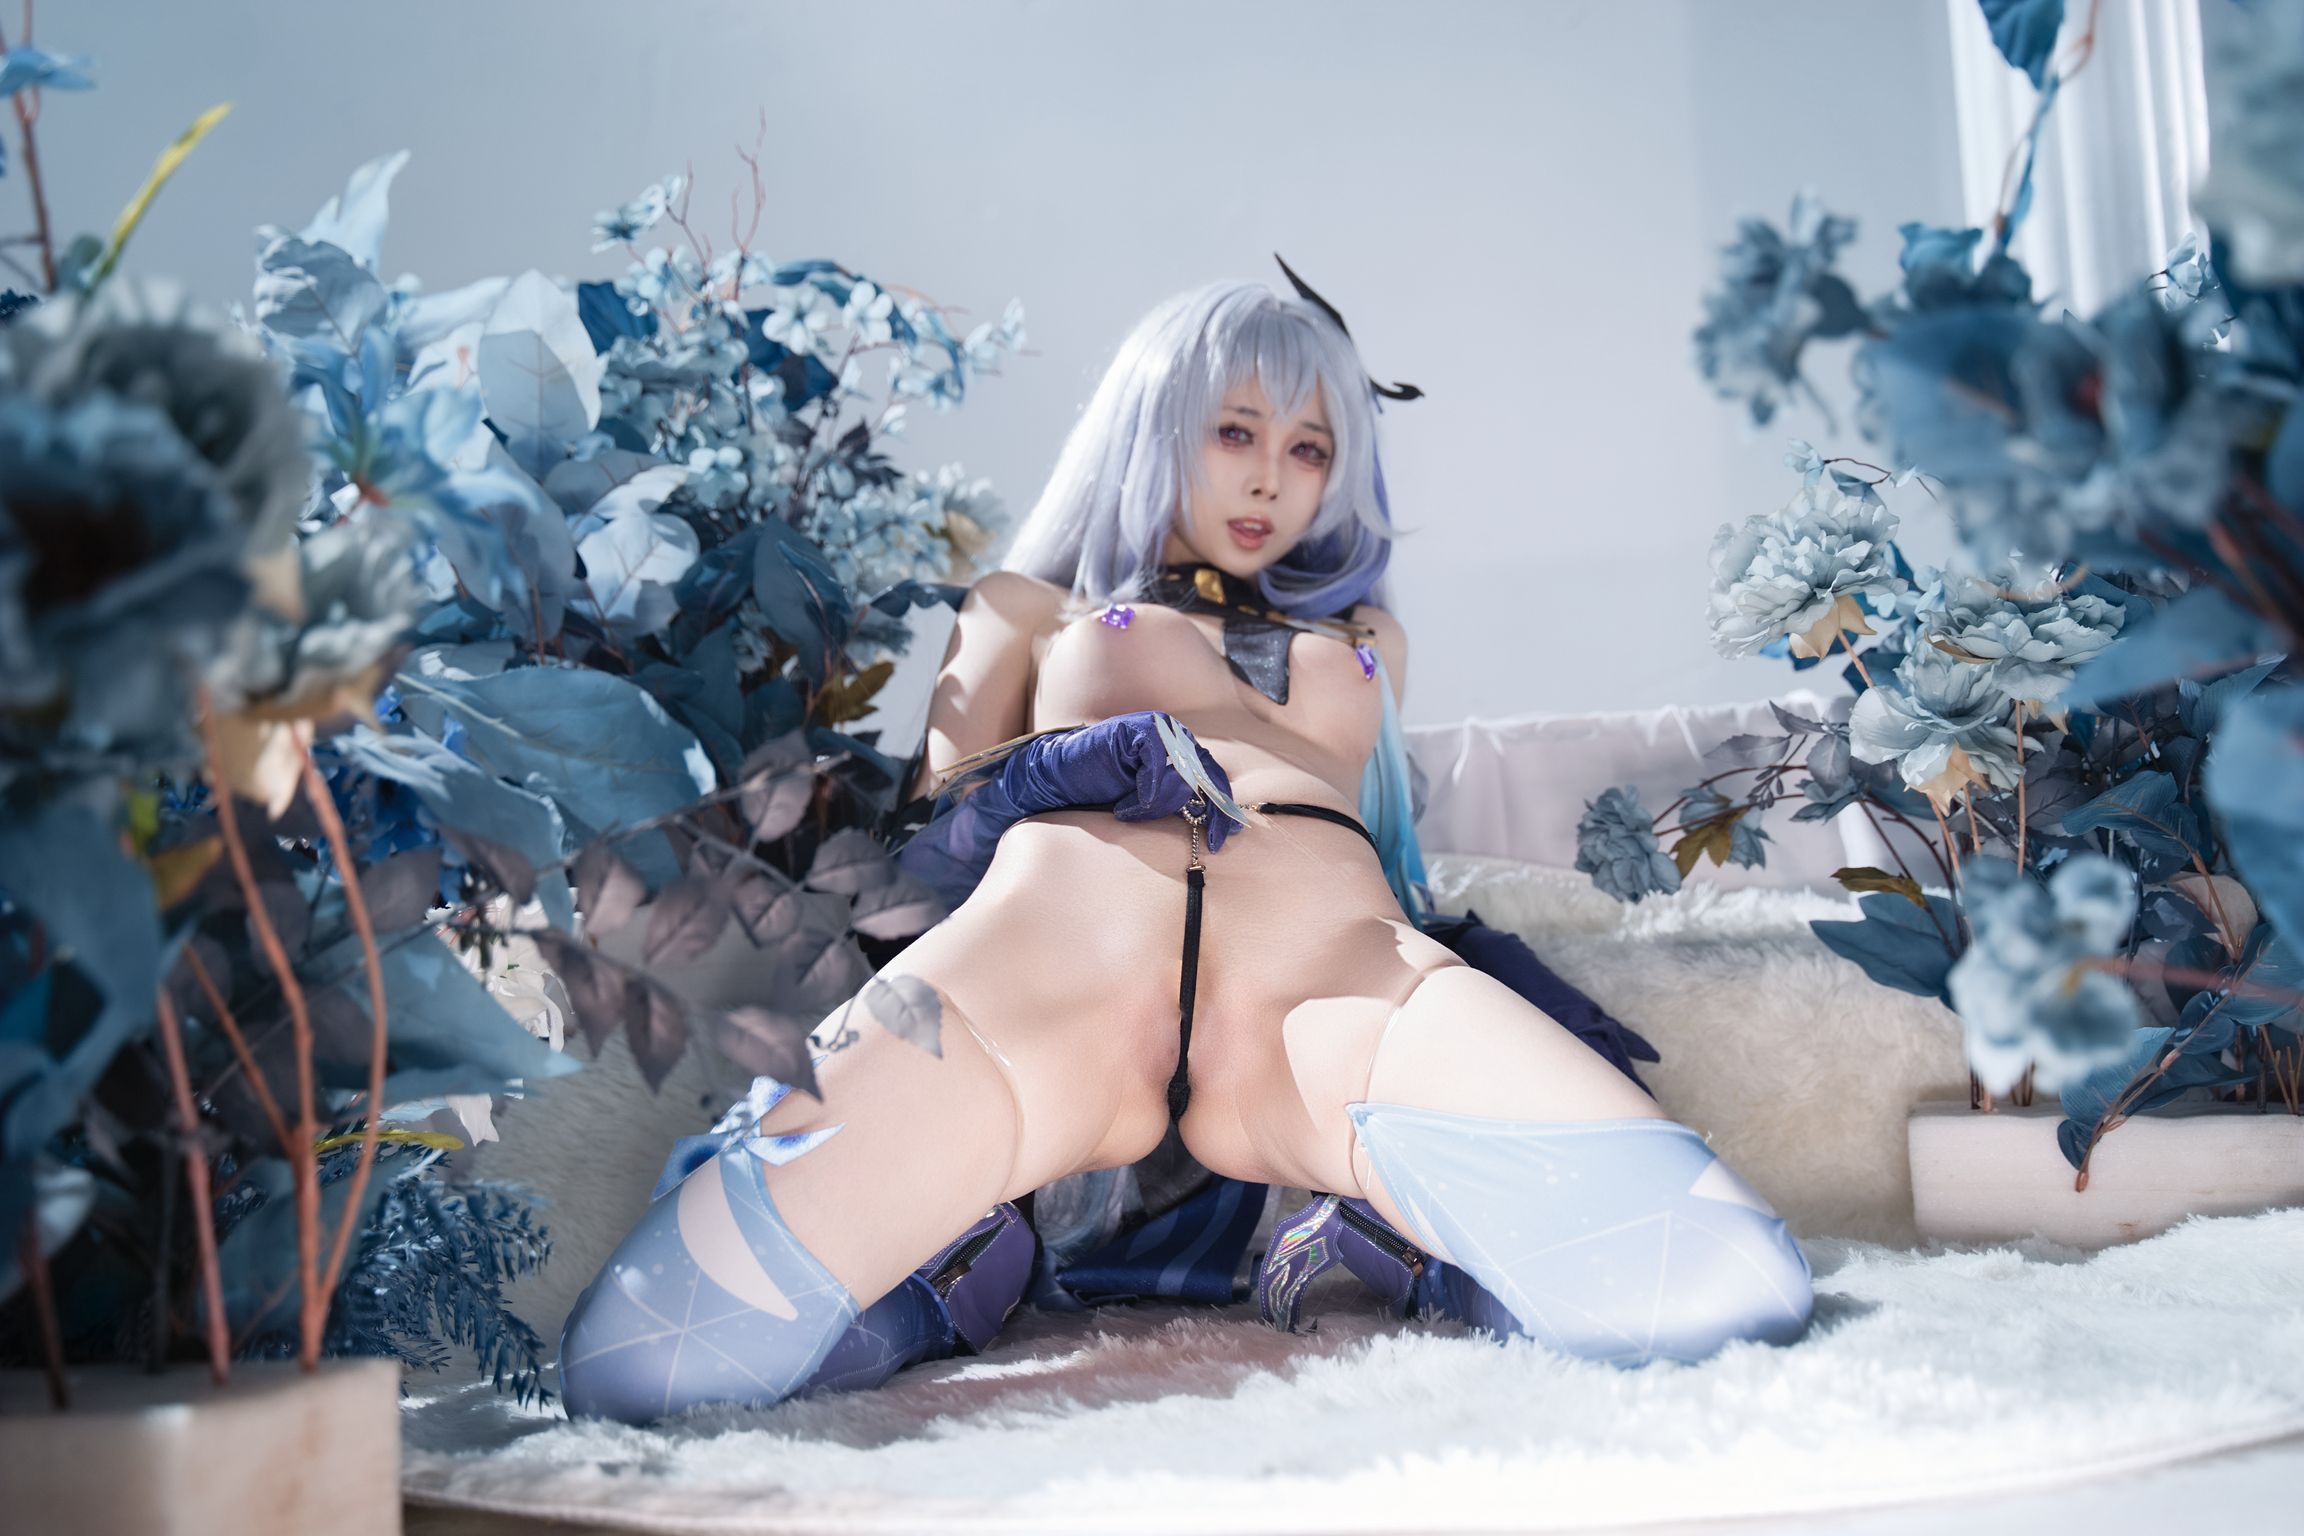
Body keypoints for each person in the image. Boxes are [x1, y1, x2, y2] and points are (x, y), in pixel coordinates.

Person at [557, 270, 1815, 1425]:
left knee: (1724, 1281)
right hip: (1040, 987)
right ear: (1151, 427)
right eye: (1235, 431)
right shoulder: (1021, 609)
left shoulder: (1370, 639)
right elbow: (912, 867)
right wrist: (1050, 769)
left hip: (1326, 1000)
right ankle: (964, 1265)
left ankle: (1385, 1246)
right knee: (644, 1359)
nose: (1272, 481)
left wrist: (1478, 970)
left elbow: (1390, 851)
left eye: (1310, 448)